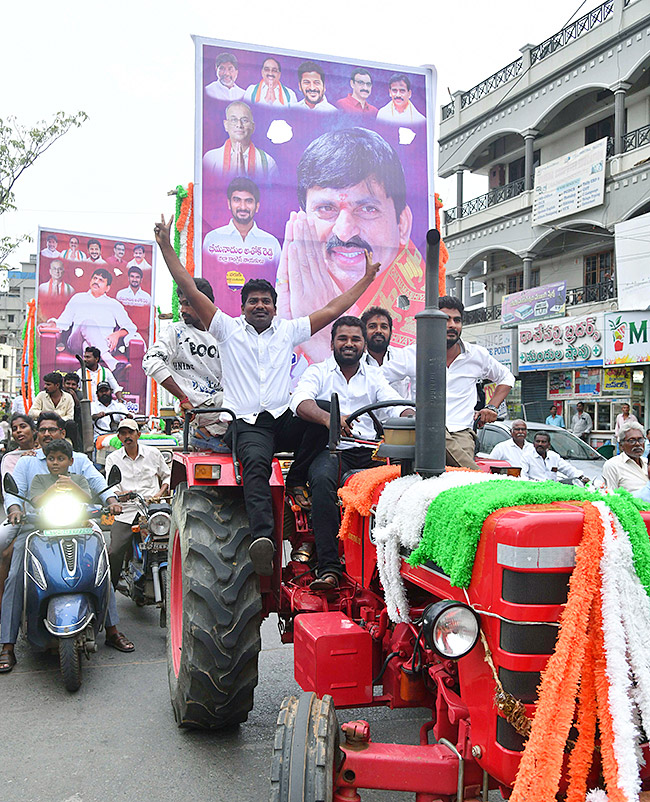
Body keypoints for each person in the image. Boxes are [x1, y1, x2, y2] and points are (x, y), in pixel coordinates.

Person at [154, 212, 380, 576]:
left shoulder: (288, 331)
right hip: (248, 424)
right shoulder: (226, 329)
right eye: (253, 301)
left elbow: (335, 308)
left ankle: (298, 479)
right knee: (255, 467)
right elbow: (191, 289)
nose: (260, 306)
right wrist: (166, 246)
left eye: (266, 301)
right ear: (242, 307)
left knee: (324, 412)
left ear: (275, 307)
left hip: (281, 419)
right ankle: (265, 540)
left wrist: (367, 279)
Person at [276, 127, 424, 362]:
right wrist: (285, 335)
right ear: (302, 220)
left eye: (367, 209)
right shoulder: (282, 306)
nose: (344, 232)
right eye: (326, 209)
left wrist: (320, 340)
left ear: (402, 224)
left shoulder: (421, 319)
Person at [0, 412, 133, 672]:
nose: (47, 434)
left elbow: (100, 486)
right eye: (43, 430)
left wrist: (112, 502)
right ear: (38, 435)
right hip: (36, 526)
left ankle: (112, 628)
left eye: (53, 430)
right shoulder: (28, 463)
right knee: (17, 574)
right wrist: (15, 509)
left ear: (63, 433)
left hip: (77, 523)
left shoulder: (80, 461)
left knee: (100, 565)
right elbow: (14, 492)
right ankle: (7, 644)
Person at [291, 316, 411, 589]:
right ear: (332, 343)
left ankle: (391, 568)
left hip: (369, 453)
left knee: (399, 489)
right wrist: (328, 419)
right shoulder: (318, 371)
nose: (349, 344)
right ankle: (330, 568)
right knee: (322, 482)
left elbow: (391, 405)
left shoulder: (373, 376)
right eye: (343, 339)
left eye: (355, 339)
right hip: (331, 451)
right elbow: (300, 401)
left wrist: (409, 414)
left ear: (364, 345)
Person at [143, 277, 226, 452]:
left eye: (188, 304)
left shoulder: (222, 333)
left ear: (205, 303)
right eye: (181, 304)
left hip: (222, 405)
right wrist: (183, 398)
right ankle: (204, 432)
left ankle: (208, 432)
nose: (182, 310)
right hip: (197, 407)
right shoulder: (176, 332)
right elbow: (150, 361)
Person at [440, 297, 515, 469]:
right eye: (446, 319)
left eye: (457, 320)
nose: (452, 325)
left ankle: (476, 480)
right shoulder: (414, 354)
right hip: (422, 431)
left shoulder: (476, 355)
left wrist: (492, 407)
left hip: (461, 433)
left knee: (459, 482)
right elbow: (382, 381)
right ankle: (480, 482)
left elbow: (507, 378)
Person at [105, 420, 170, 588]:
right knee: (114, 550)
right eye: (123, 434)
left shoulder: (153, 454)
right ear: (119, 437)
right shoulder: (113, 458)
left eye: (130, 433)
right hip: (126, 511)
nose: (127, 437)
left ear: (138, 434)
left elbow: (167, 477)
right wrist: (121, 495)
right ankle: (111, 588)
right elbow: (111, 487)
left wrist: (158, 494)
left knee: (170, 547)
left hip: (153, 510)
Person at [202, 177, 281, 310]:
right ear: (229, 204)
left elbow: (280, 284)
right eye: (237, 200)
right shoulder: (213, 239)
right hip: (219, 318)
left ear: (257, 206)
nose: (242, 207)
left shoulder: (270, 243)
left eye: (248, 201)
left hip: (259, 320)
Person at [40, 268, 140, 372]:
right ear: (90, 281)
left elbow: (131, 327)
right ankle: (112, 363)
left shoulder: (114, 304)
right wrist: (52, 324)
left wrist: (117, 334)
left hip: (105, 343)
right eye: (95, 278)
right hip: (76, 344)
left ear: (107, 288)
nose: (96, 281)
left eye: (101, 280)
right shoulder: (78, 298)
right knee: (88, 323)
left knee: (87, 345)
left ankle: (97, 373)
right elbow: (64, 321)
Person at [203, 101, 278, 180]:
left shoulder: (268, 162)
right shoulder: (210, 159)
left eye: (244, 120)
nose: (239, 125)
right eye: (233, 120)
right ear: (226, 125)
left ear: (253, 127)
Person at [360, 306, 410, 397]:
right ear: (363, 332)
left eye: (384, 327)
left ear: (390, 332)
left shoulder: (402, 357)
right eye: (372, 326)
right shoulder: (356, 362)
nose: (378, 331)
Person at [29, 439, 92, 506]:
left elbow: (88, 501)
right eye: (51, 459)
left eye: (60, 459)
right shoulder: (39, 479)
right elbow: (35, 503)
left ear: (71, 461)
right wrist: (54, 488)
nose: (55, 462)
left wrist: (73, 486)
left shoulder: (79, 479)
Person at [521, 431, 588, 484]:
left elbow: (568, 469)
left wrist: (581, 477)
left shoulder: (554, 456)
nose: (540, 444)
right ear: (533, 444)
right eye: (538, 441)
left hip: (552, 490)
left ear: (549, 445)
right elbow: (523, 477)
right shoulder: (527, 457)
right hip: (534, 490)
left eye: (543, 442)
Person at [602, 421, 648, 492]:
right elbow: (610, 496)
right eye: (632, 440)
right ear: (621, 445)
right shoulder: (613, 466)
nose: (638, 444)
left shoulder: (646, 462)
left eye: (640, 440)